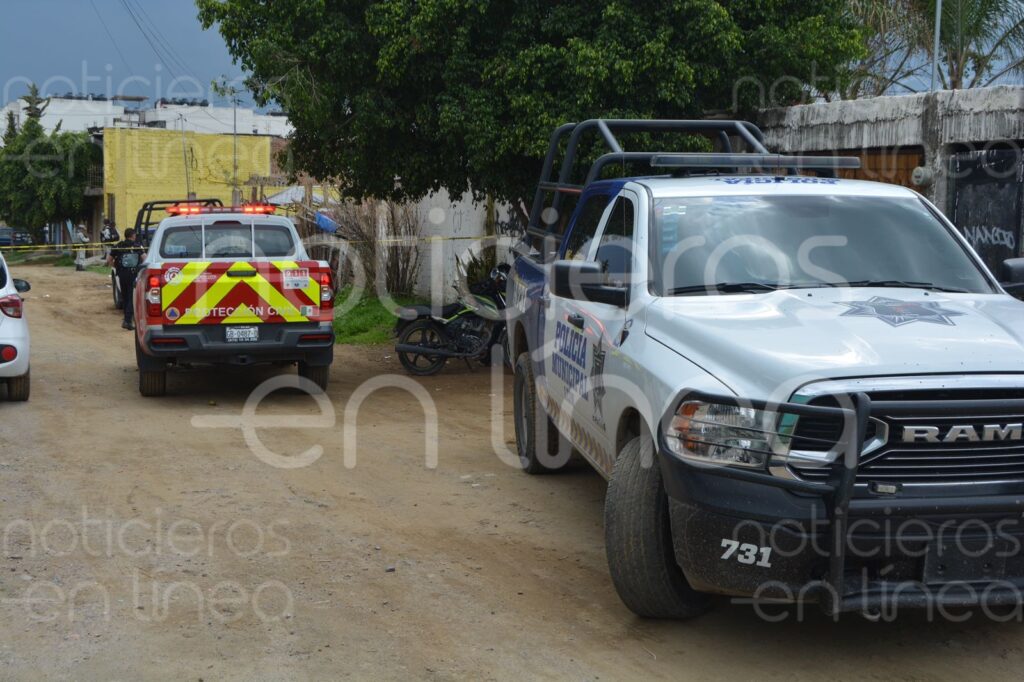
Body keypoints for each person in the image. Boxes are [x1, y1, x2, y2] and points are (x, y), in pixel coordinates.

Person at [107, 228, 144, 330]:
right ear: (133, 236)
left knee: (125, 297)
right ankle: (127, 321)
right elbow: (145, 259)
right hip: (133, 274)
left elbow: (109, 259)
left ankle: (126, 319)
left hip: (121, 274)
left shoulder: (118, 246)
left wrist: (116, 266)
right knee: (131, 297)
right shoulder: (136, 246)